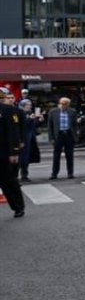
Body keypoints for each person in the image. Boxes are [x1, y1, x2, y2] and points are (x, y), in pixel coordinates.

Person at [0, 88, 26, 218]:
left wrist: (14, 152)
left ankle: (18, 206)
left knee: (8, 181)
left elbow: (13, 132)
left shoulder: (7, 110)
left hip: (3, 152)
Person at [48, 96, 77, 180]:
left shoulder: (72, 111)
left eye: (65, 104)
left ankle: (70, 173)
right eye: (61, 103)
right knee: (56, 156)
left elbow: (75, 125)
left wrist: (75, 136)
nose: (63, 105)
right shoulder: (53, 112)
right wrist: (51, 138)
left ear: (68, 105)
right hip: (58, 135)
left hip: (68, 135)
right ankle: (54, 173)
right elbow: (50, 126)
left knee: (69, 155)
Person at [18, 99, 41, 182]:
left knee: (26, 158)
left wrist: (38, 120)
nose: (29, 106)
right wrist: (29, 119)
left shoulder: (30, 113)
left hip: (30, 138)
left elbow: (33, 125)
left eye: (30, 104)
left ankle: (24, 175)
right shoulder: (19, 113)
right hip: (22, 139)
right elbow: (21, 125)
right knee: (20, 158)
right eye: (28, 104)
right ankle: (17, 175)